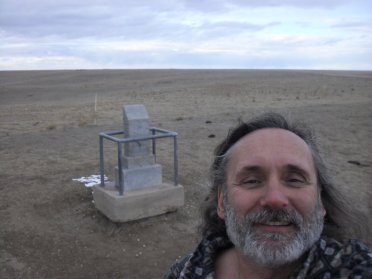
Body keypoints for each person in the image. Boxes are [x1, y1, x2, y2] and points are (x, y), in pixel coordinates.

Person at [163, 112, 371, 279]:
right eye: (252, 181)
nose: (275, 199)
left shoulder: (355, 268)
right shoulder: (184, 271)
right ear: (221, 202)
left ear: (320, 200)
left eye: (294, 180)